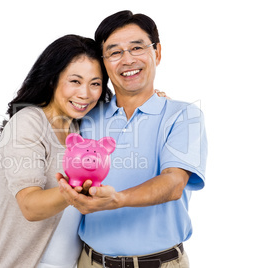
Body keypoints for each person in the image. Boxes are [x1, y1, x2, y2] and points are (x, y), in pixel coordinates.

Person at [57, 10, 208, 268]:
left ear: (157, 53)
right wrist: (9, 203)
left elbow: (174, 183)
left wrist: (119, 199)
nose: (127, 59)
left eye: (137, 48)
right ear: (103, 63)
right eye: (114, 52)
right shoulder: (85, 116)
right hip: (89, 261)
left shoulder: (184, 115)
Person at [0, 34, 113, 268]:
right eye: (75, 81)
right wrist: (74, 190)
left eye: (95, 83)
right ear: (52, 80)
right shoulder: (28, 123)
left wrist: (153, 99)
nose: (85, 94)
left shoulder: (80, 125)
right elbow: (30, 206)